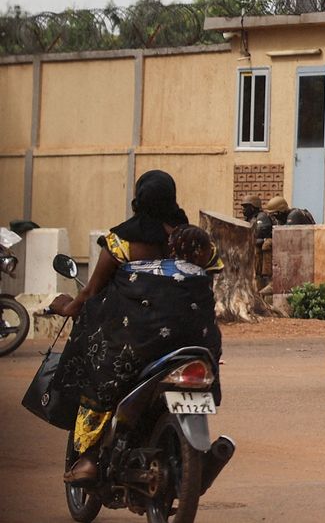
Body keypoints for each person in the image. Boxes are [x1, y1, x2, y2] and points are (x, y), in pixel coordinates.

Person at [49, 170, 222, 483]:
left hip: (138, 343)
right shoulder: (194, 241)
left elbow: (90, 293)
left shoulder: (122, 240)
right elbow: (213, 271)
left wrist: (64, 305)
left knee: (100, 375)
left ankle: (88, 459)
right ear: (172, 198)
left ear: (138, 199)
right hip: (197, 340)